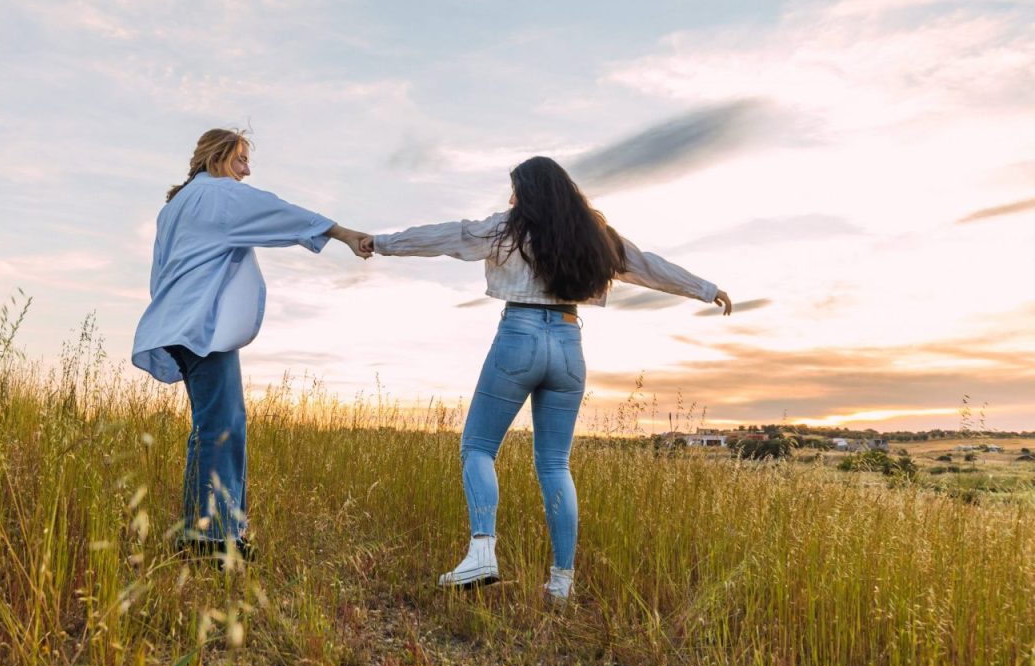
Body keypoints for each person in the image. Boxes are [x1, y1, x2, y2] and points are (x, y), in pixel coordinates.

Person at [366, 156, 731, 599]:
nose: (511, 198)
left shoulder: (507, 229)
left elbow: (447, 236)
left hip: (518, 337)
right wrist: (705, 289)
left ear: (530, 193)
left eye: (515, 190)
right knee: (556, 465)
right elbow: (648, 265)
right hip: (568, 343)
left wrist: (381, 243)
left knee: (478, 449)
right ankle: (561, 582)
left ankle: (482, 551)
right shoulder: (596, 237)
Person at [132, 128, 371, 561]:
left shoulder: (174, 208)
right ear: (218, 158)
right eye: (241, 159)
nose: (246, 169)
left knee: (208, 426)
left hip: (178, 325)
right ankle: (216, 538)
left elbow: (160, 271)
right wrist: (344, 233)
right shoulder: (220, 195)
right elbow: (279, 213)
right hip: (203, 326)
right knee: (224, 425)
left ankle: (198, 529)